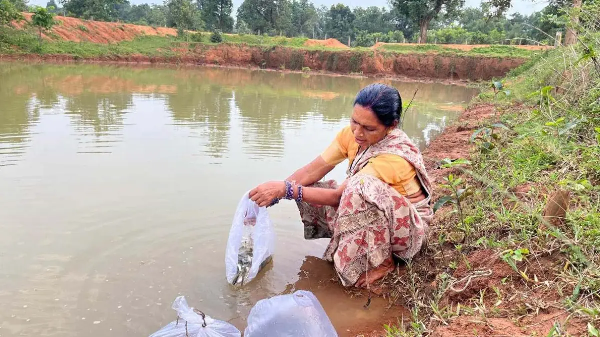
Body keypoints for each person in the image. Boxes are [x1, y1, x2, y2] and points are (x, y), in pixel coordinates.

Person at [249, 83, 433, 288]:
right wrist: (273, 195)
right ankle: (355, 250)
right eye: (355, 121)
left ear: (392, 126)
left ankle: (383, 262)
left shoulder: (393, 157)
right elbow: (312, 170)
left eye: (369, 128)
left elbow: (340, 196)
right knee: (314, 186)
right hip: (376, 214)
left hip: (407, 234)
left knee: (357, 187)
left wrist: (287, 190)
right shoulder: (350, 135)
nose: (358, 133)